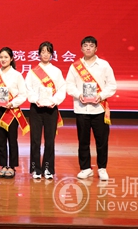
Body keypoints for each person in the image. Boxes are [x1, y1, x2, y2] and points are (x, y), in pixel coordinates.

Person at [66, 36, 117, 181]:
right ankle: (85, 168)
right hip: (81, 108)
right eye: (85, 45)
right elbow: (69, 85)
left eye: (91, 45)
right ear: (81, 48)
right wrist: (78, 94)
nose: (88, 48)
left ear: (96, 48)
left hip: (99, 108)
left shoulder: (104, 65)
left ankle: (102, 168)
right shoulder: (75, 67)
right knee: (83, 141)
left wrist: (101, 96)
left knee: (102, 141)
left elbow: (112, 85)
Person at [25, 41, 66, 180]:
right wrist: (35, 99)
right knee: (35, 140)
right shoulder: (32, 72)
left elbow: (62, 89)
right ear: (39, 54)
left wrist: (54, 101)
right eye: (43, 52)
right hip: (36, 109)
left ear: (52, 54)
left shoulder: (57, 71)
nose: (45, 54)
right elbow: (28, 88)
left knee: (50, 140)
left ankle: (48, 168)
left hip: (51, 109)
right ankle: (36, 168)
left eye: (48, 52)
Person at [0, 47, 29, 179]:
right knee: (1, 139)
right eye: (1, 57)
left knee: (12, 139)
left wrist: (12, 103)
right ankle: (3, 165)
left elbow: (23, 94)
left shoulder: (17, 75)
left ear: (11, 59)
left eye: (6, 57)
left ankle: (12, 166)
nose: (3, 59)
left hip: (11, 110)